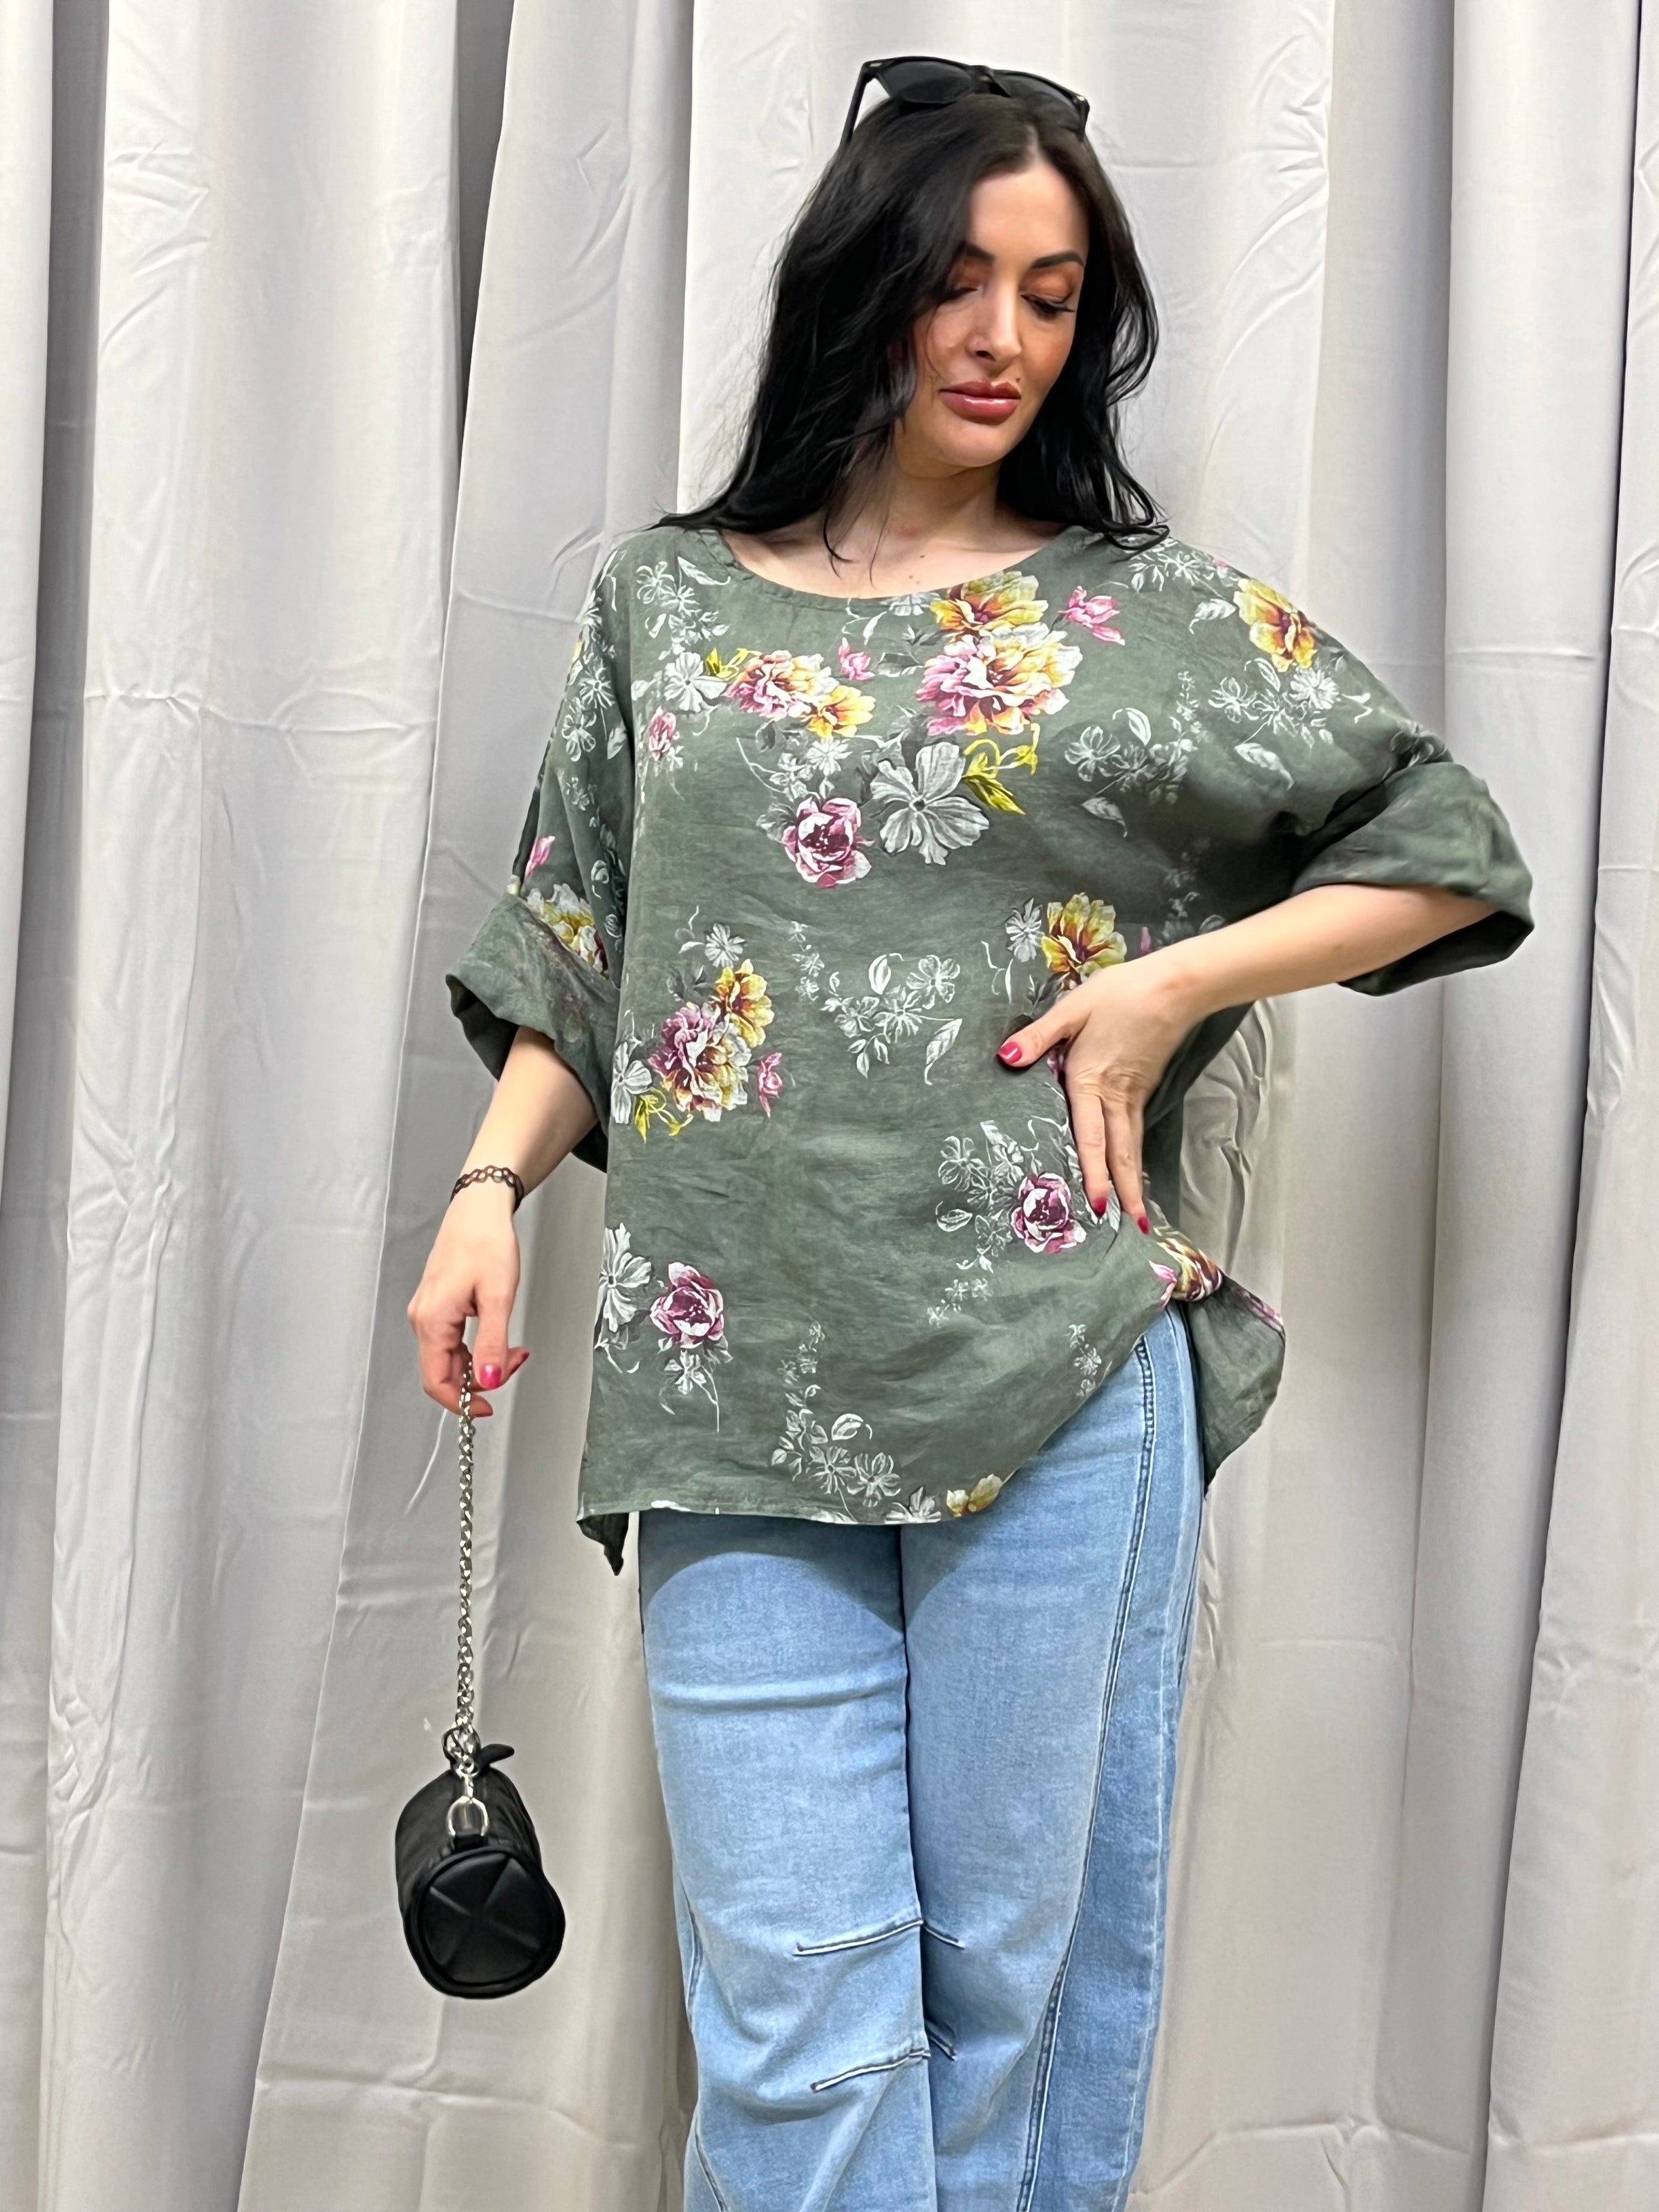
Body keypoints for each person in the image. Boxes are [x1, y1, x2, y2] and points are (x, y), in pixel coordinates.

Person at [409, 55, 1531, 2212]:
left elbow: (1444, 847)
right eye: (959, 279)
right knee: (795, 2013)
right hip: (732, 1378)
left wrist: (1175, 986)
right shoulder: (672, 601)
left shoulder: (1140, 613)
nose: (1005, 335)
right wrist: (489, 1188)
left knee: (1010, 2003)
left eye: (1053, 289)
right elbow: (590, 927)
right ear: (867, 282)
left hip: (1057, 1370)